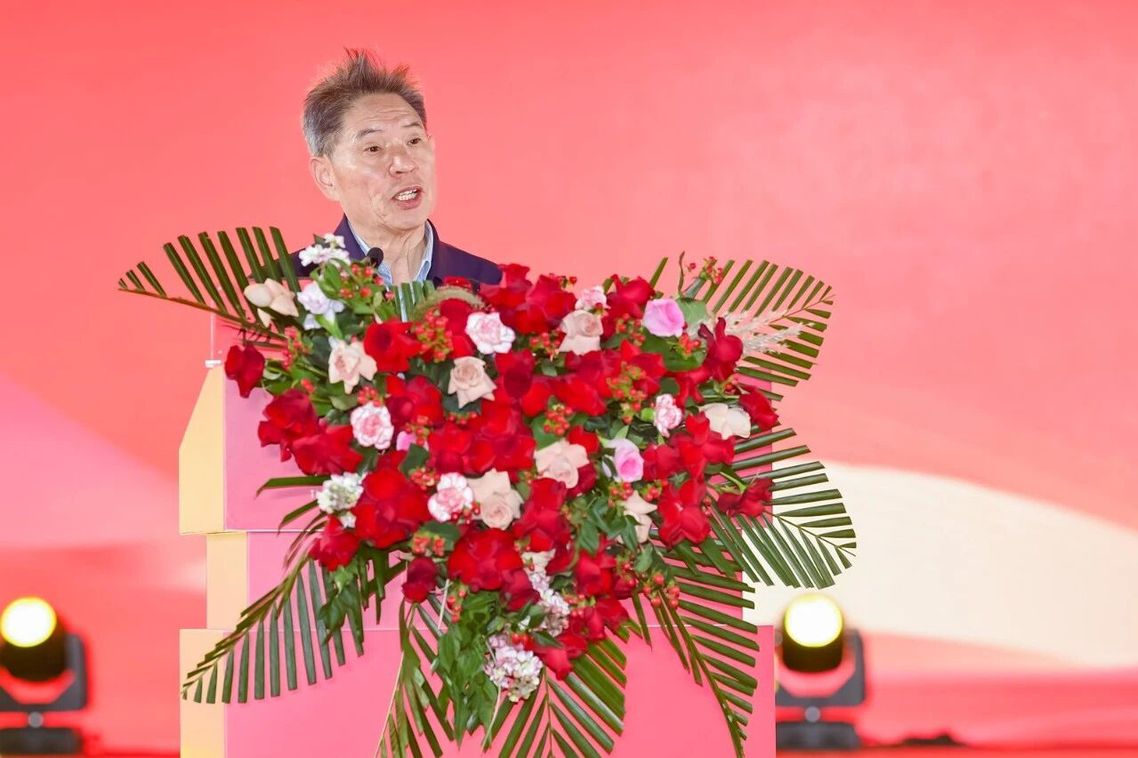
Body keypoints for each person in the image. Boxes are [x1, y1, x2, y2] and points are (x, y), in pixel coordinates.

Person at [297, 50, 500, 286]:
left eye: (413, 141)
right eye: (373, 148)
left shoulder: (491, 286)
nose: (404, 163)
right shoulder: (286, 288)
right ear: (326, 176)